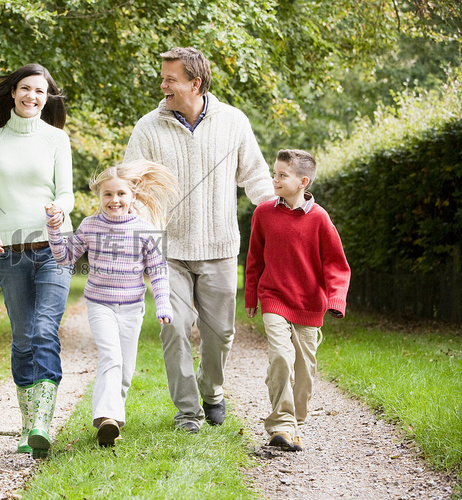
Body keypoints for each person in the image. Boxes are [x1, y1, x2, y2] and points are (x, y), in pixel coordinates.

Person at [123, 46, 275, 432]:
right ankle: (188, 412)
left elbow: (256, 177)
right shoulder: (148, 127)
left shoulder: (233, 122)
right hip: (167, 251)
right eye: (163, 78)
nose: (163, 85)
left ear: (196, 82)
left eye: (170, 79)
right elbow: (131, 186)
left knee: (220, 334)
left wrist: (281, 212)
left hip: (219, 248)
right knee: (173, 328)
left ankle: (212, 391)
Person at [0, 63, 74, 459]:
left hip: (54, 248)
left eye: (40, 92)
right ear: (13, 92)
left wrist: (59, 211)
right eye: (26, 89)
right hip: (10, 252)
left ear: (47, 99)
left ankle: (41, 424)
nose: (33, 96)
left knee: (45, 330)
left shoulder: (56, 140)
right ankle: (28, 420)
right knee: (24, 337)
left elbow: (66, 193)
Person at [45, 160, 179, 446]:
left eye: (120, 194)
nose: (114, 200)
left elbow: (157, 271)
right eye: (108, 194)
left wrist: (163, 304)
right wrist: (55, 230)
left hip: (132, 307)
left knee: (125, 370)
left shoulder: (144, 230)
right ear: (99, 196)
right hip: (100, 305)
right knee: (111, 357)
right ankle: (104, 417)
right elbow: (65, 257)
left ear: (132, 196)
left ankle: (113, 422)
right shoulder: (90, 225)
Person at [245, 149, 351, 451]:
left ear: (302, 181)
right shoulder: (263, 213)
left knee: (304, 373)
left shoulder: (319, 219)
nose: (274, 179)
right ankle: (281, 426)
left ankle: (295, 423)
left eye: (282, 175)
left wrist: (336, 300)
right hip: (274, 297)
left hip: (309, 304)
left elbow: (336, 265)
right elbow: (254, 259)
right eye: (274, 173)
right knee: (280, 356)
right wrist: (252, 293)